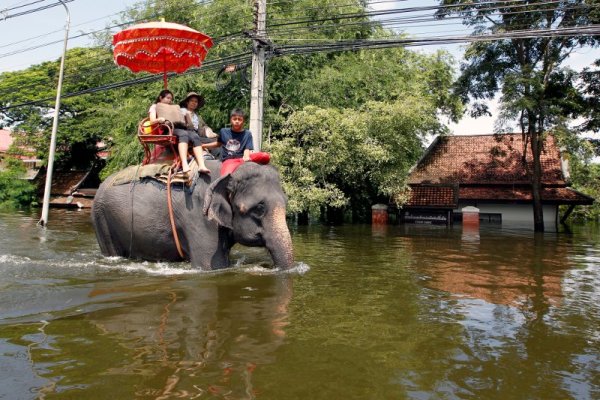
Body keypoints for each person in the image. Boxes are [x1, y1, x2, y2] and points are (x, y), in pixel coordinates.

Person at [203, 108, 270, 176]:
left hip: (242, 159)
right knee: (226, 176)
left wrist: (246, 157)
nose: (237, 121)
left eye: (240, 119)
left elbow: (247, 148)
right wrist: (203, 146)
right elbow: (218, 143)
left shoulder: (247, 134)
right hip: (229, 160)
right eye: (234, 119)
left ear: (243, 121)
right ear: (231, 120)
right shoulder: (224, 131)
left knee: (265, 156)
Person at [174, 92, 211, 175]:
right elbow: (182, 123)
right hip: (186, 132)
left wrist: (209, 131)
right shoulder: (183, 111)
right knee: (196, 137)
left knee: (215, 140)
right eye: (192, 101)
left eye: (196, 102)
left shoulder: (197, 116)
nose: (194, 103)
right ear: (187, 102)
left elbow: (203, 128)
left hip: (196, 134)